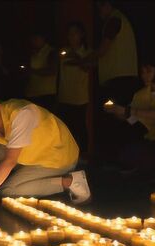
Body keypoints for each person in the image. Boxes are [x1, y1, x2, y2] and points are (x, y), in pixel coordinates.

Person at [0, 77, 91, 204]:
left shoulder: (22, 114)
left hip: (59, 157)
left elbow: (10, 161)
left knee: (9, 190)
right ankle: (25, 175)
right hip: (35, 154)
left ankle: (70, 181)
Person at [58, 21, 92, 157]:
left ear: (81, 35)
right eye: (69, 34)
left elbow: (87, 66)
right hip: (64, 96)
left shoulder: (87, 52)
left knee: (80, 126)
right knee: (65, 128)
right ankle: (67, 156)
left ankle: (83, 154)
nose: (72, 37)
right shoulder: (63, 52)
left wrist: (76, 57)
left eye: (75, 33)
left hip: (79, 97)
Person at [24, 30, 58, 111]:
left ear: (43, 38)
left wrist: (32, 71)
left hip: (46, 94)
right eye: (32, 39)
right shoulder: (32, 52)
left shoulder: (51, 52)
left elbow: (51, 70)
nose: (34, 41)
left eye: (36, 38)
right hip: (32, 93)